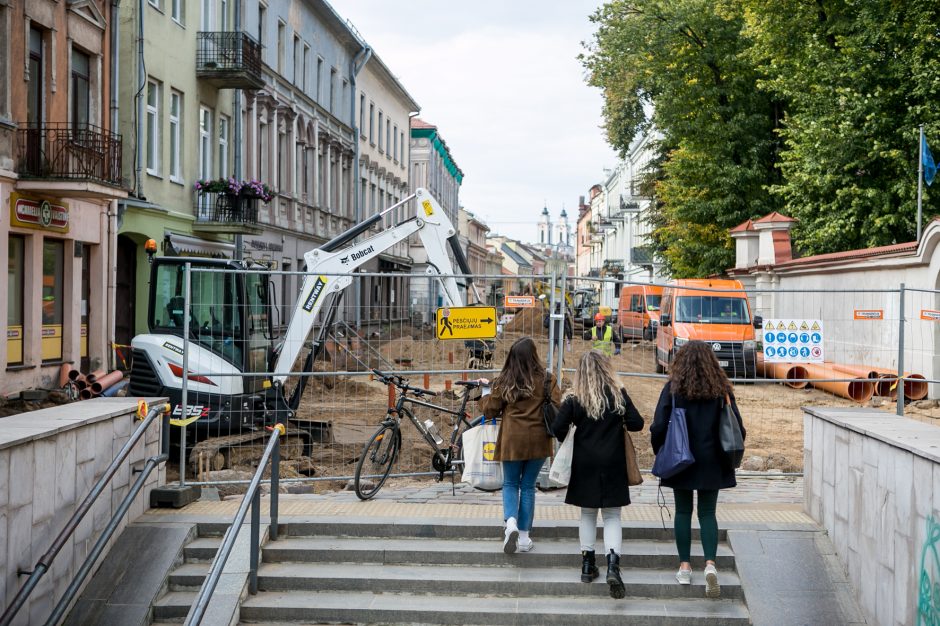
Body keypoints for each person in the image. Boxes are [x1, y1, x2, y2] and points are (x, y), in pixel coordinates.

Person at [650, 340, 745, 599]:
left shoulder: (673, 388)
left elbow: (659, 425)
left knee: (682, 511)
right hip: (713, 460)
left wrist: (659, 449)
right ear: (711, 362)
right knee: (707, 513)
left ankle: (684, 566)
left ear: (681, 362)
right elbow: (738, 427)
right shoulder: (721, 389)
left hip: (681, 459)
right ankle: (711, 566)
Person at [551, 351, 644, 599]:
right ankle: (613, 564)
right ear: (606, 369)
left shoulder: (574, 399)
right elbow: (637, 423)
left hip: (584, 464)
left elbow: (557, 430)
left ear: (580, 373)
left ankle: (587, 565)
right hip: (613, 462)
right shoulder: (618, 396)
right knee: (613, 515)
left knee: (587, 514)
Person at [480, 336, 561, 554]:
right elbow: (557, 406)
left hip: (512, 440)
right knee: (527, 487)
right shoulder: (547, 380)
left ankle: (511, 523)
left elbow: (489, 410)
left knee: (510, 484)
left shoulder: (505, 380)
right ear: (534, 355)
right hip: (538, 440)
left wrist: (486, 393)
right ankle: (524, 538)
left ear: (512, 357)